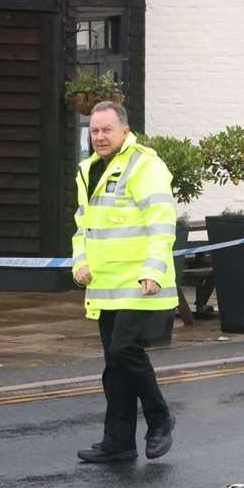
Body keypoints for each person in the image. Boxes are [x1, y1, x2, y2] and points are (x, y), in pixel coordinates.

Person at [72, 101, 178, 463]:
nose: (99, 137)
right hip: (105, 286)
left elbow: (161, 223)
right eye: (94, 130)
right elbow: (83, 226)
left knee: (123, 351)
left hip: (141, 283)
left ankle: (160, 418)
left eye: (106, 130)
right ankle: (118, 441)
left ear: (125, 131)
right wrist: (80, 262)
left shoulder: (145, 165)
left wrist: (153, 270)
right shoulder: (88, 170)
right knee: (114, 365)